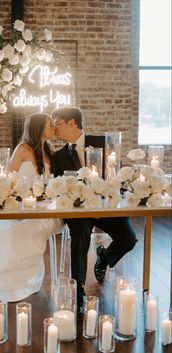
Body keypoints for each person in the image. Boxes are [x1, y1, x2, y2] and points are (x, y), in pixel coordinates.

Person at [0, 113, 63, 301]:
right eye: (49, 124)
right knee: (1, 228)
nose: (53, 127)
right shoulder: (22, 149)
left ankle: (21, 279)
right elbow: (8, 179)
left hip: (45, 208)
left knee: (28, 227)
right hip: (20, 204)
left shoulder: (50, 150)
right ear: (38, 128)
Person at [52, 106, 138, 310]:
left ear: (72, 122)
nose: (55, 129)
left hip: (106, 206)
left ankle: (104, 257)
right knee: (80, 233)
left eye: (58, 124)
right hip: (78, 210)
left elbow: (119, 176)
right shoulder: (58, 156)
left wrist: (107, 199)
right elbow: (60, 187)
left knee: (129, 238)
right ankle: (79, 287)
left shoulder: (104, 143)